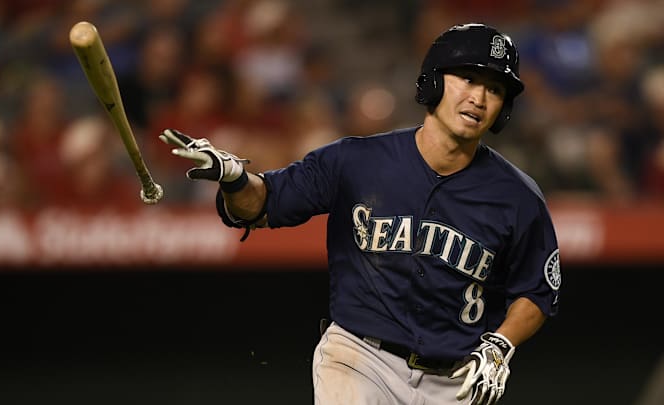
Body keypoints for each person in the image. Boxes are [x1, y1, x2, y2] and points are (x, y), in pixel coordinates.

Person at [158, 23, 561, 405]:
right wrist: (234, 179)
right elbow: (262, 204)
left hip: (456, 380)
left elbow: (536, 292)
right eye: (468, 79)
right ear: (433, 82)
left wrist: (502, 343)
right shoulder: (357, 161)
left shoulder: (518, 197)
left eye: (495, 88)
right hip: (361, 360)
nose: (479, 97)